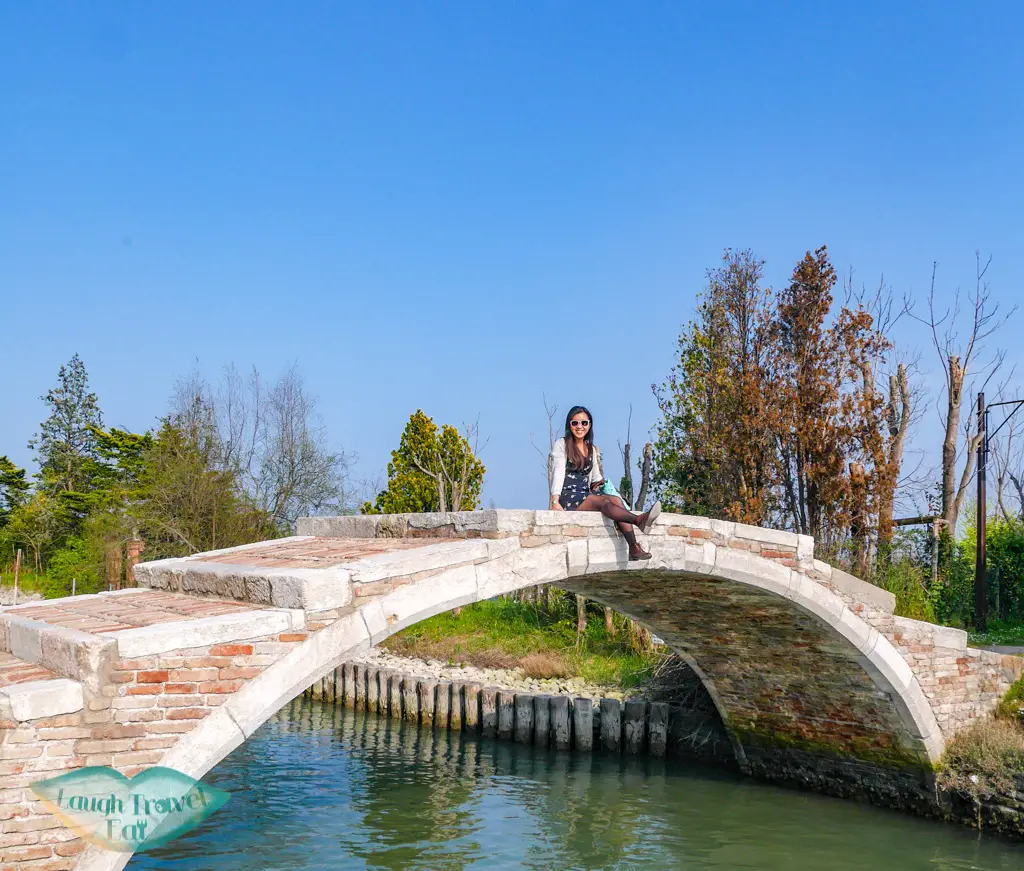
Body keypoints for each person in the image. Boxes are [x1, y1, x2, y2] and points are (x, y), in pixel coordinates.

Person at [549, 405, 661, 561]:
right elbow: (558, 471)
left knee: (614, 500)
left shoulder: (591, 449)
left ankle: (634, 547)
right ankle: (638, 520)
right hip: (568, 496)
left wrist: (607, 488)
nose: (580, 427)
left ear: (589, 424)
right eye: (575, 423)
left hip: (586, 494)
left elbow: (595, 477)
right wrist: (555, 500)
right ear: (569, 424)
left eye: (584, 423)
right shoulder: (562, 444)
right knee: (602, 502)